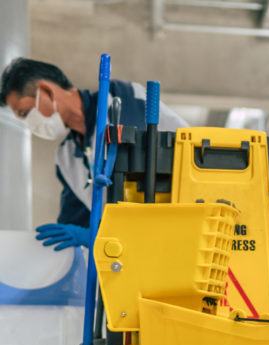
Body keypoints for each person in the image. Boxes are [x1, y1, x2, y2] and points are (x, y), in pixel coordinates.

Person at [0, 58, 188, 250]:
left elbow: (137, 189)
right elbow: (73, 221)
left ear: (46, 91)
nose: (29, 124)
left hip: (180, 228)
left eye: (24, 113)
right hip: (134, 248)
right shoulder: (66, 156)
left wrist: (97, 233)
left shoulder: (120, 99)